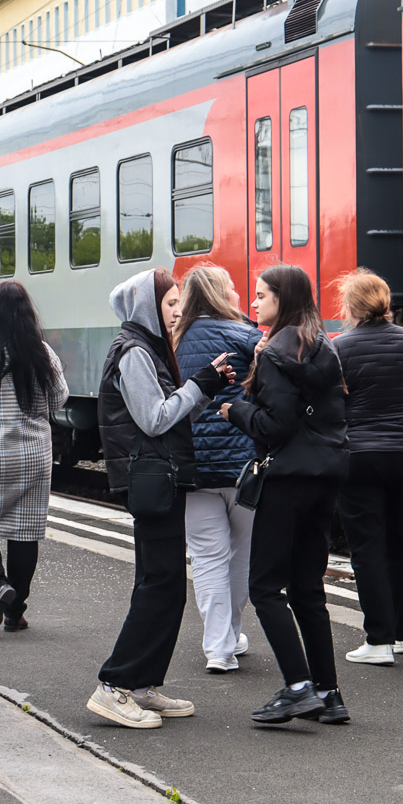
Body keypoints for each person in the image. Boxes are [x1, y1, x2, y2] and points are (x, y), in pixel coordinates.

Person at [89, 269, 234, 730]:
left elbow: (170, 410)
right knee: (159, 582)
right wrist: (199, 384)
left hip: (164, 478)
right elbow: (154, 419)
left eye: (177, 303)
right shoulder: (134, 351)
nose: (177, 312)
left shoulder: (148, 348)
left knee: (166, 583)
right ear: (147, 307)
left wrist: (203, 387)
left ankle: (143, 683)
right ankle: (113, 686)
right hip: (152, 479)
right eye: (170, 303)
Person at [222, 265, 350, 725]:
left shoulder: (277, 352)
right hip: (326, 474)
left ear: (283, 299)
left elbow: (276, 425)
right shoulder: (324, 345)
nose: (253, 303)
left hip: (288, 477)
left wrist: (236, 409)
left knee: (265, 587)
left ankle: (297, 687)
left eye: (261, 296)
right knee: (307, 588)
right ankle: (329, 693)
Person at [331, 268, 403, 666]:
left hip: (359, 457)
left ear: (350, 307)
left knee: (367, 548)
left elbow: (331, 407)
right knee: (401, 543)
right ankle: (400, 636)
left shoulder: (339, 347)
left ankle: (377, 640)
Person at [172, 265, 261, 673]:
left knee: (207, 558)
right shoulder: (246, 336)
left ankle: (219, 648)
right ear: (220, 295)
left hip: (194, 470)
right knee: (240, 555)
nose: (239, 295)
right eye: (232, 289)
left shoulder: (172, 341)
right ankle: (231, 635)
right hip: (244, 468)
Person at [0, 281, 67, 635]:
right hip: (33, 453)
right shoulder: (40, 352)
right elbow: (59, 400)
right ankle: (15, 612)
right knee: (25, 531)